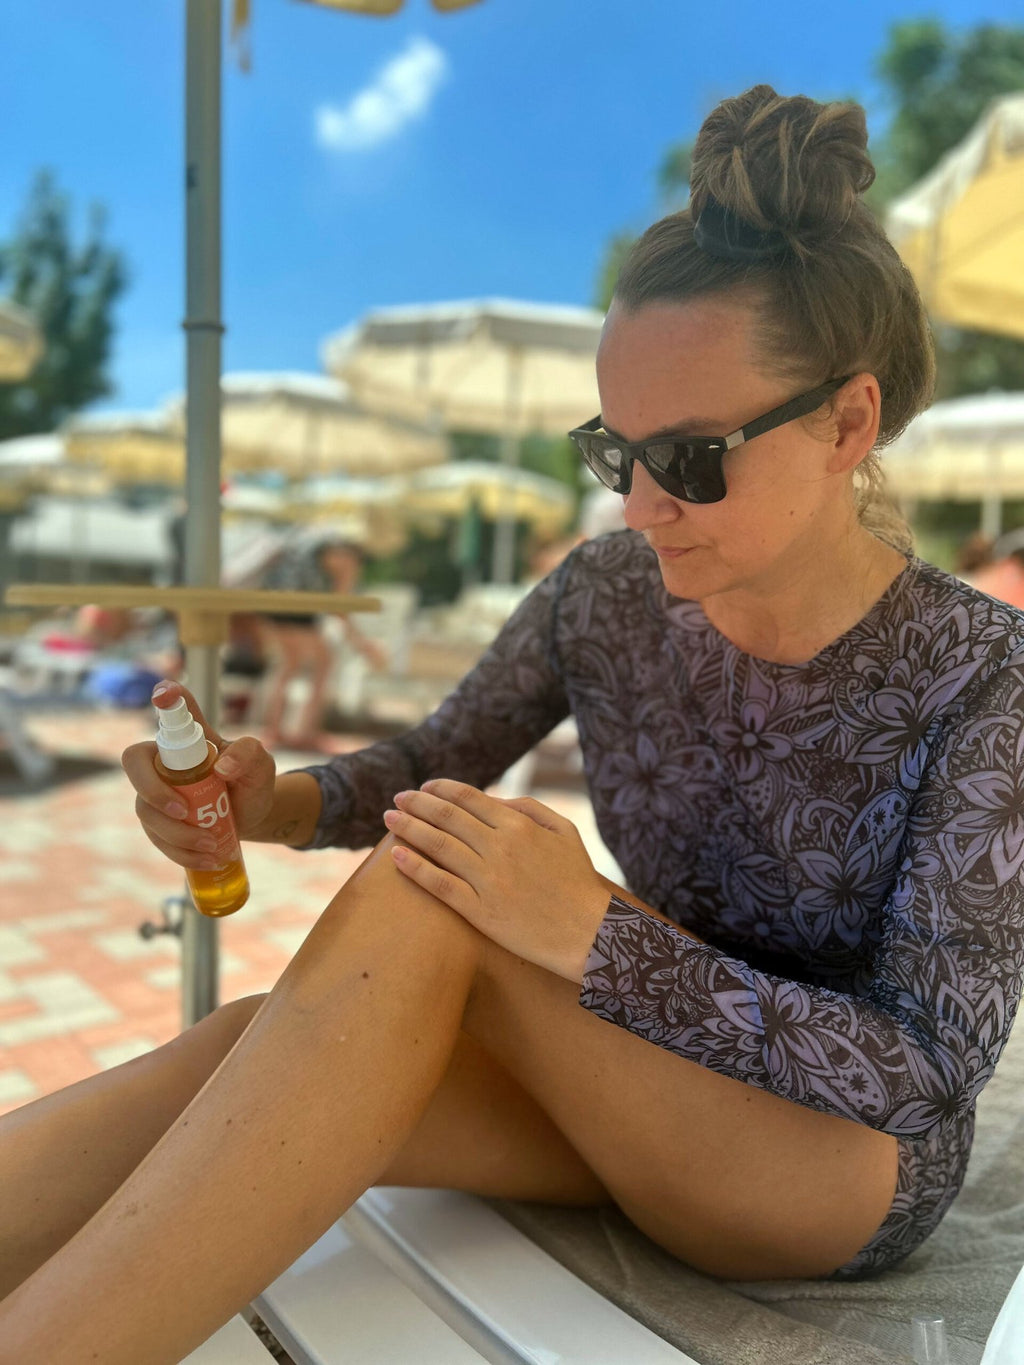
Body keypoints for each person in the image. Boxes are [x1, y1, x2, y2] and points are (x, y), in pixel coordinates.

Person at [3, 83, 1024, 1364]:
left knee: (440, 882)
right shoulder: (606, 595)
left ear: (848, 420)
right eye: (617, 454)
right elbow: (433, 762)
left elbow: (926, 1069)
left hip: (840, 1173)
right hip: (639, 1075)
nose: (644, 507)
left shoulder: (984, 674)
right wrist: (265, 805)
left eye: (694, 459)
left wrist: (593, 936)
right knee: (245, 1048)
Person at [257, 534, 387, 749]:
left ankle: (275, 729)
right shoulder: (346, 558)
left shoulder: (320, 545)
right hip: (296, 610)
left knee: (289, 666)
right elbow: (339, 609)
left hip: (273, 604)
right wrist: (364, 646)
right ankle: (305, 732)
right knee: (323, 664)